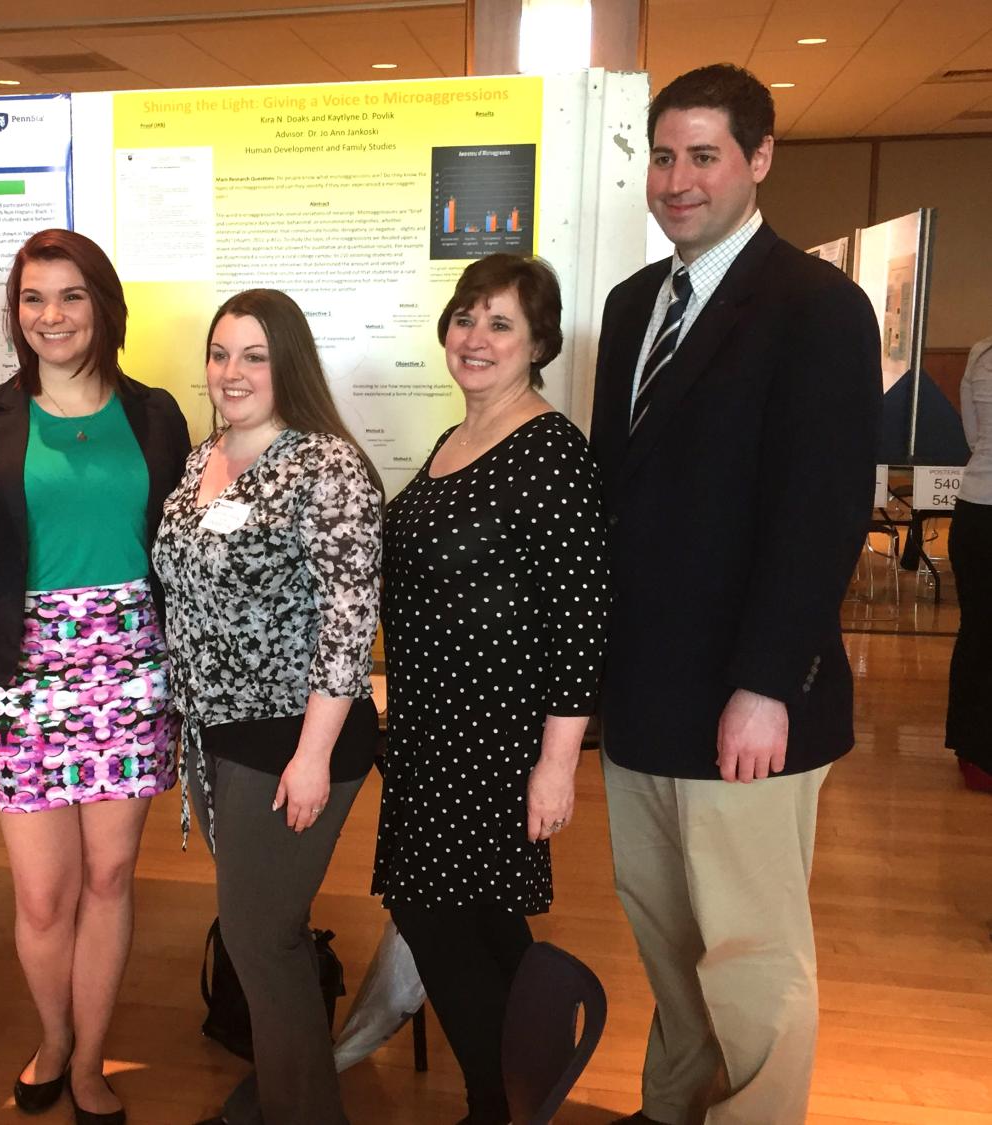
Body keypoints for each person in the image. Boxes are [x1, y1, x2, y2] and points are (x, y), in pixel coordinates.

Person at [588, 65, 880, 1125]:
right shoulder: (632, 306)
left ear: (758, 160)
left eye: (703, 155)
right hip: (644, 698)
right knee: (666, 937)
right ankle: (675, 1108)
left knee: (751, 953)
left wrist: (766, 686)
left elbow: (823, 514)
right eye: (664, 157)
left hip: (744, 705)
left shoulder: (816, 306)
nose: (677, 180)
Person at [0, 228, 190, 1125]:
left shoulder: (155, 416)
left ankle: (90, 1062)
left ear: (103, 305)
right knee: (43, 892)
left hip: (130, 669)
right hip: (22, 675)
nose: (51, 316)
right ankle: (53, 1039)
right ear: (17, 314)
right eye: (34, 299)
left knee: (109, 879)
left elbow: (180, 560)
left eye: (70, 296)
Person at [372, 254, 609, 1125]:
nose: (475, 337)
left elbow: (580, 622)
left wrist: (558, 765)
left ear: (537, 343)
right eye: (466, 317)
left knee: (436, 918)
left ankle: (494, 1103)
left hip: (495, 738)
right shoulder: (456, 437)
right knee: (483, 926)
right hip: (432, 729)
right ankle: (528, 1090)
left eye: (500, 323)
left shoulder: (550, 449)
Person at [152, 289, 382, 1125]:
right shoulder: (203, 457)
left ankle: (303, 1110)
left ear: (288, 362)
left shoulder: (326, 466)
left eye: (254, 355)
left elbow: (350, 619)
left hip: (293, 739)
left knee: (261, 936)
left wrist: (312, 755)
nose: (232, 371)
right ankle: (285, 1088)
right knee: (258, 923)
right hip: (216, 734)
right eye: (220, 353)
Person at [948, 335, 992, 792]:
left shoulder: (980, 352)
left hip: (976, 509)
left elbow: (974, 436)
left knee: (977, 630)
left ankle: (973, 754)